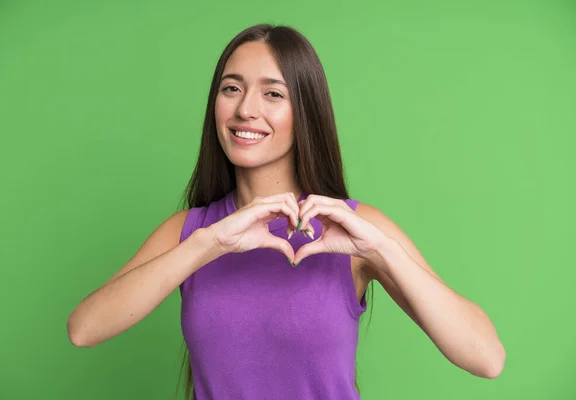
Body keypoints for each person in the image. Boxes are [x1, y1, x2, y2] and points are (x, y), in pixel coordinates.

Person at [67, 24, 506, 399]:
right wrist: (211, 242)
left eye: (273, 93)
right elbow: (83, 329)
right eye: (231, 88)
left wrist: (382, 251)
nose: (245, 109)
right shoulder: (192, 232)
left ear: (306, 113)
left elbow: (486, 358)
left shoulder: (355, 231)